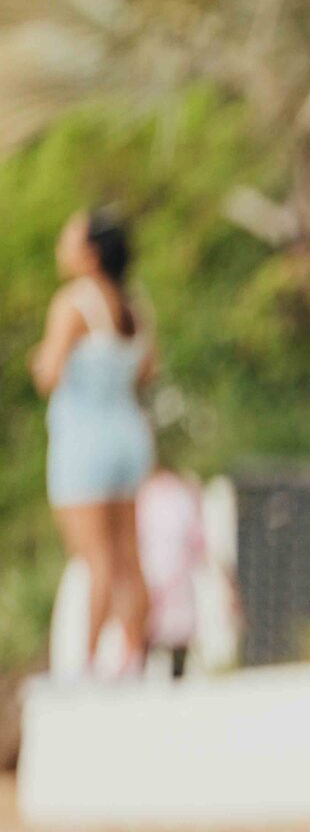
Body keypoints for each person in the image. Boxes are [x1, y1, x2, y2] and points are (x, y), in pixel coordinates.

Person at [29, 206, 156, 679]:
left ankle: (86, 663)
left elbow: (49, 374)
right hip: (129, 432)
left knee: (94, 557)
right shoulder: (133, 304)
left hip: (85, 439)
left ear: (90, 253)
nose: (61, 247)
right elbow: (147, 370)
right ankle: (135, 656)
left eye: (69, 239)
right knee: (128, 555)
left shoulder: (73, 303)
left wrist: (39, 360)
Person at [136, 465, 211, 678]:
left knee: (147, 630)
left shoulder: (144, 493)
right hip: (177, 576)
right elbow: (197, 537)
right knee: (177, 632)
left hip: (150, 574)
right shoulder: (184, 493)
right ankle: (177, 677)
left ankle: (137, 673)